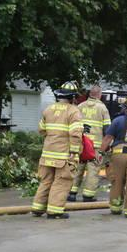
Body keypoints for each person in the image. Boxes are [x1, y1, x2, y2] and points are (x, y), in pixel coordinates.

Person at [31, 81, 83, 219]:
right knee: (62, 181)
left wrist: (51, 140)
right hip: (63, 155)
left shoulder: (48, 109)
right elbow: (76, 134)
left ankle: (37, 208)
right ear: (72, 97)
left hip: (47, 153)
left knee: (46, 181)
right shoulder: (73, 111)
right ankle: (55, 210)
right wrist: (75, 152)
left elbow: (41, 130)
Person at [68, 85, 111, 202]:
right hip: (95, 146)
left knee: (78, 168)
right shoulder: (103, 108)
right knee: (93, 170)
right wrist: (107, 146)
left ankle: (72, 193)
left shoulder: (80, 106)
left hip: (81, 144)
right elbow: (107, 129)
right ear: (99, 95)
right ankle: (88, 195)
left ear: (90, 94)